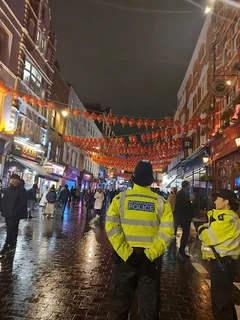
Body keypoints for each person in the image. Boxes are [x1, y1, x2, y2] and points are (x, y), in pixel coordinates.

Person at [106, 160, 174, 320]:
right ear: (151, 180)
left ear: (133, 179)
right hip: (150, 263)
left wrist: (126, 253)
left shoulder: (120, 199)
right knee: (149, 310)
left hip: (125, 261)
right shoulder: (161, 203)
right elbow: (166, 233)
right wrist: (149, 255)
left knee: (119, 308)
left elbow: (112, 227)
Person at [198, 189, 240, 320]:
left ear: (226, 202)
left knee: (221, 301)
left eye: (218, 199)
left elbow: (208, 236)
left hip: (223, 263)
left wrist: (202, 228)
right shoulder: (222, 217)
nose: (215, 201)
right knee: (222, 300)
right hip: (223, 262)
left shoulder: (226, 219)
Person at [0, 174, 28, 257]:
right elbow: (5, 200)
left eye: (15, 179)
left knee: (10, 229)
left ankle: (6, 246)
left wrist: (15, 212)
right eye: (12, 179)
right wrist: (2, 209)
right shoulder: (8, 189)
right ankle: (12, 244)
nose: (13, 180)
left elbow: (22, 203)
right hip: (7, 213)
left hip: (15, 214)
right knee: (12, 229)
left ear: (18, 180)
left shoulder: (22, 190)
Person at [174, 180, 195, 261]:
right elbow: (180, 205)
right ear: (187, 186)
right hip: (183, 217)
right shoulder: (181, 194)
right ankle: (181, 252)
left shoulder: (185, 193)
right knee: (185, 234)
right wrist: (189, 200)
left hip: (186, 217)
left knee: (186, 234)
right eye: (189, 185)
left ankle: (182, 252)